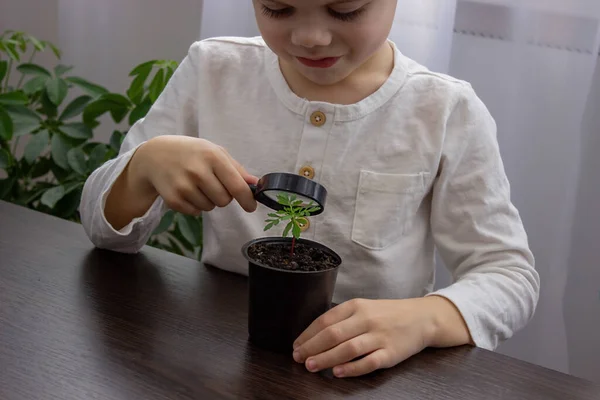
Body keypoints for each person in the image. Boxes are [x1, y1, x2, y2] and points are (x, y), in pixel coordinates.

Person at [80, 0, 540, 379]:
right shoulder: (213, 69)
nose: (310, 37)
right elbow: (104, 231)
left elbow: (507, 275)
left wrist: (426, 319)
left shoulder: (444, 109)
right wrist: (142, 167)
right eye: (278, 9)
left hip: (368, 375)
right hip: (226, 357)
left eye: (345, 10)